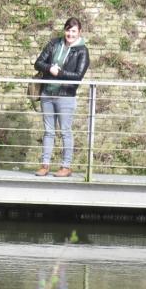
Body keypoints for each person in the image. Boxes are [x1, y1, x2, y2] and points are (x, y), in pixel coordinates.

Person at [33, 16, 90, 178]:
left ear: (79, 32)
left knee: (65, 132)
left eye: (73, 31)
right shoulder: (54, 44)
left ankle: (66, 166)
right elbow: (38, 63)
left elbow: (78, 75)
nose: (70, 34)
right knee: (48, 132)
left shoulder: (82, 51)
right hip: (47, 94)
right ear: (64, 30)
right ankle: (45, 165)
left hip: (66, 96)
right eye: (68, 30)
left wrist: (61, 73)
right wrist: (50, 68)